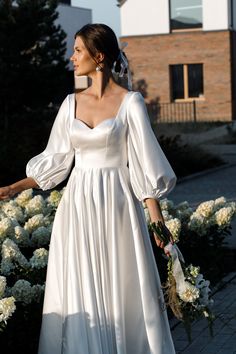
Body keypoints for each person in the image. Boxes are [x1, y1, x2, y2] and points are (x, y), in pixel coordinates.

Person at [0, 23, 177, 354]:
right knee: (81, 284)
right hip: (78, 205)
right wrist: (13, 187)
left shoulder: (131, 103)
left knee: (120, 284)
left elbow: (144, 164)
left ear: (99, 57)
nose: (72, 57)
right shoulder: (70, 104)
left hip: (117, 205)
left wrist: (156, 220)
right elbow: (56, 161)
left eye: (78, 50)